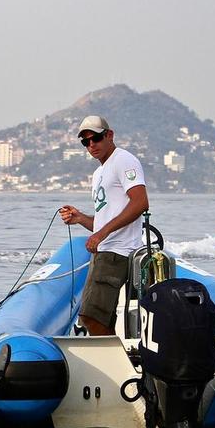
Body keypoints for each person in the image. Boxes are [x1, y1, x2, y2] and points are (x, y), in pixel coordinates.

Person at [59, 115, 149, 336]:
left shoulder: (123, 160)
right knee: (102, 318)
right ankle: (116, 360)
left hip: (117, 252)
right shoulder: (99, 173)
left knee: (89, 316)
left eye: (96, 138)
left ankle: (115, 363)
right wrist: (80, 218)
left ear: (109, 135)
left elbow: (140, 203)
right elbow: (103, 221)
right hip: (104, 251)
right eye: (85, 142)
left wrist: (101, 234)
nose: (91, 145)